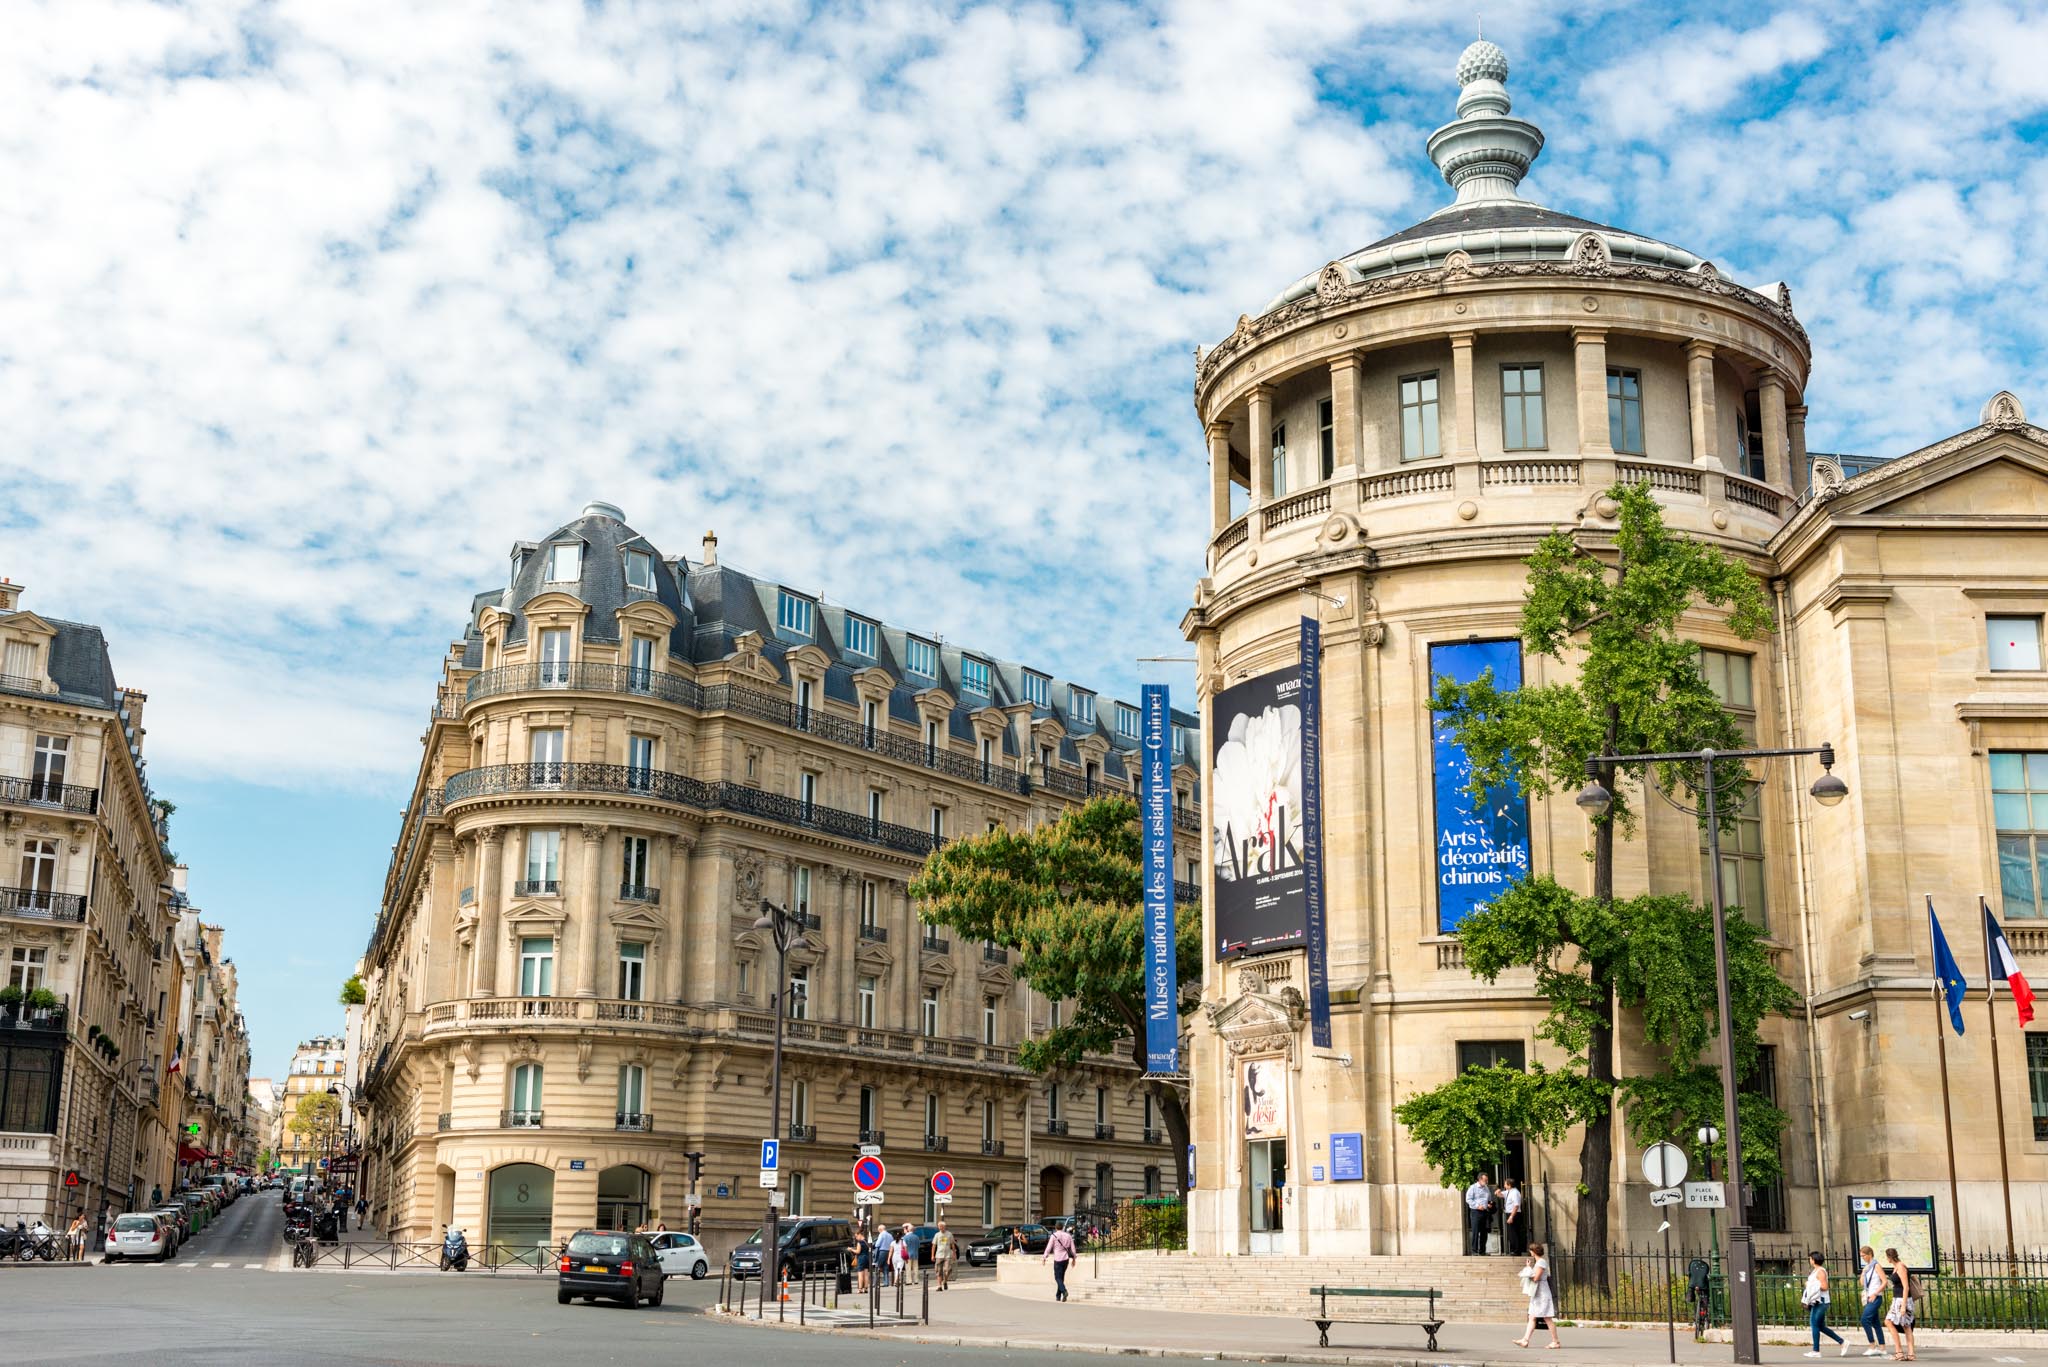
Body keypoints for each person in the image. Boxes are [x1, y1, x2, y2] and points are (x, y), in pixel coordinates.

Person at [1514, 1242, 1560, 1349]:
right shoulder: (1538, 1262)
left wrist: (1527, 1271)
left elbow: (1536, 1278)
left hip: (1542, 1294)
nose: (1530, 1252)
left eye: (1531, 1250)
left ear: (1534, 1252)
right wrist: (1528, 1268)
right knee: (1532, 1317)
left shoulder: (1541, 1262)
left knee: (1547, 1318)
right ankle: (1525, 1340)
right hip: (1537, 1293)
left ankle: (1555, 1341)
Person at [1803, 1251, 1847, 1356]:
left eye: (1810, 1258)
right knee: (1820, 1326)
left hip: (1821, 1301)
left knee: (1814, 1324)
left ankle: (1816, 1351)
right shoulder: (1816, 1271)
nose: (1809, 1260)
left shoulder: (1820, 1271)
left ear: (1814, 1260)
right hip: (1817, 1301)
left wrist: (1810, 1285)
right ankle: (1842, 1342)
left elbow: (1825, 1286)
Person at [1883, 1248, 1916, 1362]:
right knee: (1895, 1323)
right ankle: (1905, 1353)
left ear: (1889, 1257)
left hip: (1902, 1300)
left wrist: (1903, 1305)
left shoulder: (1901, 1267)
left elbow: (1906, 1287)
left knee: (1904, 1325)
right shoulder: (1896, 1266)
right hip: (1897, 1299)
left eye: (1887, 1257)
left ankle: (1902, 1353)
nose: (1886, 1259)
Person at [1856, 1246, 1888, 1356]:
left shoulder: (1876, 1266)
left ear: (1870, 1254)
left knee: (1864, 1320)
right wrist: (1863, 1273)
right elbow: (1862, 1283)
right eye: (1861, 1256)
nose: (1863, 1258)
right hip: (1869, 1297)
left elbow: (1884, 1282)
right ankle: (1882, 1348)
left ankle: (1872, 1346)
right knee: (1876, 1323)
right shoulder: (1867, 1267)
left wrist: (1875, 1293)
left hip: (1876, 1297)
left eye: (1864, 1255)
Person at [1043, 1221, 1078, 1302]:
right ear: (1062, 1227)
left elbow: (1049, 1247)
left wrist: (1044, 1257)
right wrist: (1074, 1258)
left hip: (1058, 1259)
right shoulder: (1068, 1235)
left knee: (1057, 1277)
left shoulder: (1053, 1236)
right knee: (1061, 1277)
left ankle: (1064, 1291)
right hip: (1066, 1259)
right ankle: (1058, 1296)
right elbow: (1073, 1248)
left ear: (1056, 1227)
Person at [1463, 1173, 1494, 1256]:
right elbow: (1468, 1199)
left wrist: (1489, 1204)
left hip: (1485, 1212)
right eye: (1485, 1180)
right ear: (1480, 1179)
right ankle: (1474, 1251)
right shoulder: (1472, 1187)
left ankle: (1482, 1251)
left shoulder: (1486, 1188)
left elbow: (1489, 1198)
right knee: (1476, 1231)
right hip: (1476, 1212)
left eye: (1487, 1180)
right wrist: (1477, 1206)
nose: (1486, 1182)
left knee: (1484, 1232)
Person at [1500, 1178, 1525, 1256]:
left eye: (1505, 1184)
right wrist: (1497, 1191)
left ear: (1509, 1185)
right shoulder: (1509, 1191)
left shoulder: (1515, 1193)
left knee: (1514, 1233)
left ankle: (1516, 1251)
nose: (1504, 1185)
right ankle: (1514, 1250)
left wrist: (1511, 1217)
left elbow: (1516, 1205)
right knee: (1511, 1233)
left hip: (1514, 1214)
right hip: (1510, 1213)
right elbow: (1501, 1195)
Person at [933, 1221, 956, 1290]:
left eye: (941, 1226)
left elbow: (952, 1244)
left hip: (947, 1255)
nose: (940, 1228)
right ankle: (939, 1286)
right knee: (938, 1271)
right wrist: (932, 1255)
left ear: (944, 1227)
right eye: (939, 1226)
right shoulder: (937, 1235)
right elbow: (934, 1245)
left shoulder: (949, 1234)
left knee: (948, 1269)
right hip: (939, 1255)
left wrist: (954, 1254)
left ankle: (945, 1281)